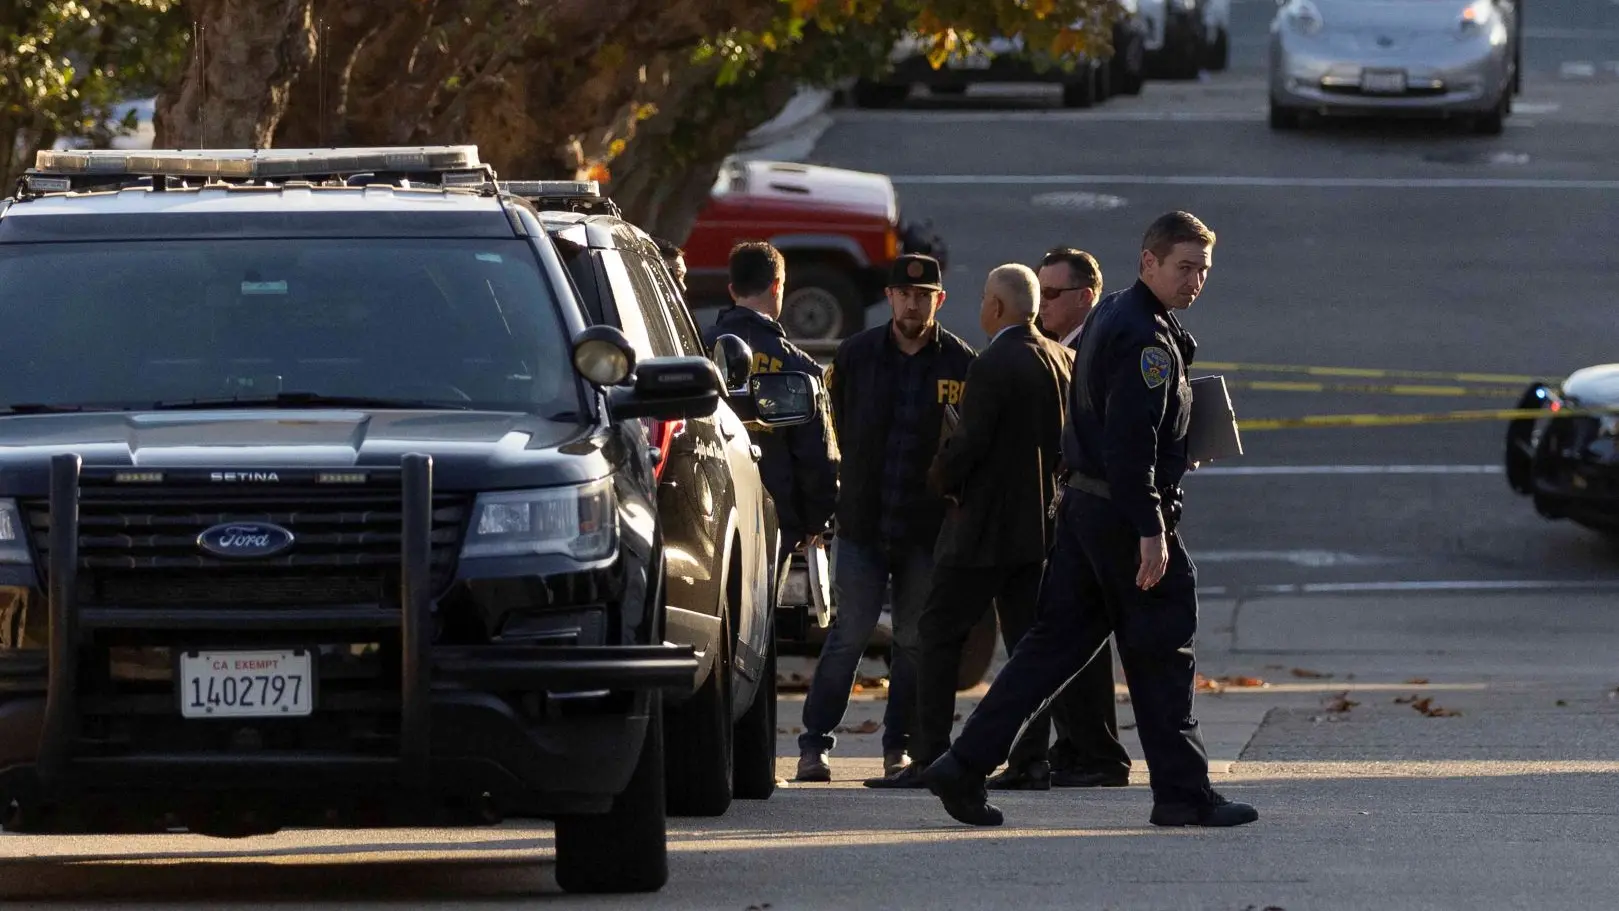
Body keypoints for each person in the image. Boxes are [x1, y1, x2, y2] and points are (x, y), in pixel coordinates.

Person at [920, 211, 1260, 829]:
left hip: (1085, 508)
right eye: (1184, 267)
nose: (1195, 281)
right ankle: (1183, 793)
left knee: (1049, 651)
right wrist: (1150, 529)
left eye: (1204, 270)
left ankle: (964, 763)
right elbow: (1130, 443)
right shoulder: (1146, 340)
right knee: (1162, 648)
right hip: (1121, 516)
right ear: (1147, 263)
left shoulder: (1117, 318)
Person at [862, 263, 1073, 791]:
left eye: (983, 298)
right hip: (1039, 530)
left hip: (981, 530)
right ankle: (1031, 759)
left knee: (937, 634)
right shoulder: (1061, 358)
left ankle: (932, 754)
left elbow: (969, 445)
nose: (979, 307)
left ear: (997, 307)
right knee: (1030, 646)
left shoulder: (994, 362)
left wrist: (939, 473)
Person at [795, 253, 976, 782]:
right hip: (863, 525)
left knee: (913, 641)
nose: (913, 303)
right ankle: (814, 746)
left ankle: (898, 748)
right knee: (848, 634)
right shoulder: (856, 356)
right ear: (890, 297)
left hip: (925, 530)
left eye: (924, 296)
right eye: (904, 294)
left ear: (938, 301)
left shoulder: (961, 365)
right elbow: (836, 432)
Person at [1017, 246, 1133, 790]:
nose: (1041, 304)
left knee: (1076, 633)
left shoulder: (1095, 345)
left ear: (1085, 296)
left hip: (1096, 509)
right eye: (1038, 292)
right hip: (1071, 509)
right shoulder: (1060, 345)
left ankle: (1095, 752)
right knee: (1068, 633)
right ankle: (1076, 747)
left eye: (1053, 294)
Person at [701, 241, 839, 574]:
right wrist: (815, 520)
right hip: (775, 518)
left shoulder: (695, 349)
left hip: (707, 510)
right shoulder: (797, 365)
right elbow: (817, 452)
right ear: (777, 286)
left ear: (732, 289)